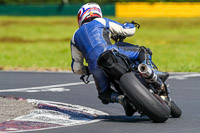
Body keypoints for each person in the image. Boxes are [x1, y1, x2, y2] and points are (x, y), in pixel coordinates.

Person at [70, 3, 168, 116]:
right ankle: (149, 73)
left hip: (95, 67)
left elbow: (76, 68)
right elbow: (127, 31)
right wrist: (129, 25)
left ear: (81, 17)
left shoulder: (74, 36)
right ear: (97, 12)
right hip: (110, 51)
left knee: (104, 94)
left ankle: (121, 99)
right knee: (142, 51)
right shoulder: (101, 21)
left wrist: (88, 70)